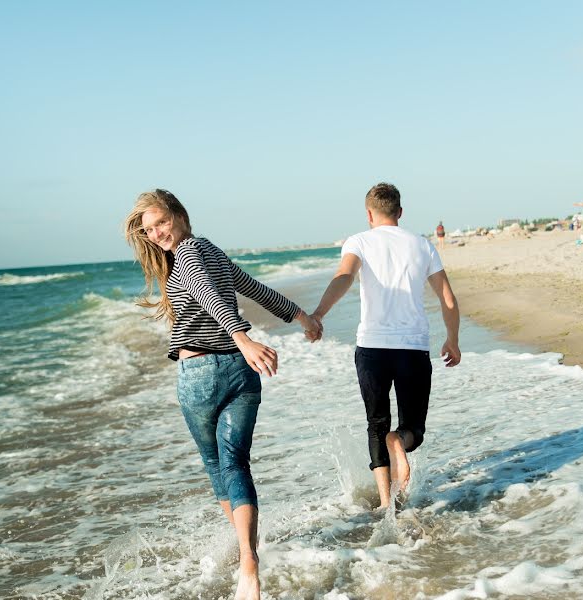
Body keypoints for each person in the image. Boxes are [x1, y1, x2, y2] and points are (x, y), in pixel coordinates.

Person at [124, 189, 321, 600]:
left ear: (179, 215)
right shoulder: (210, 249)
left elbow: (208, 296)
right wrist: (302, 317)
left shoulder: (189, 255)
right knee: (237, 464)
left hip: (201, 374)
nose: (158, 233)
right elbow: (254, 288)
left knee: (219, 466)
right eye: (150, 229)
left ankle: (247, 558)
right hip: (240, 372)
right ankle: (248, 558)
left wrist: (243, 338)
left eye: (162, 222)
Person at [309, 183, 461, 508]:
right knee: (413, 429)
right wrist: (452, 339)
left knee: (376, 424)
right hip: (413, 348)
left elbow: (344, 277)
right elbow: (447, 298)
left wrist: (318, 314)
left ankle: (385, 504)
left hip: (372, 349)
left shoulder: (359, 241)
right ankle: (400, 442)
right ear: (400, 213)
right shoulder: (422, 245)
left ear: (368, 214)